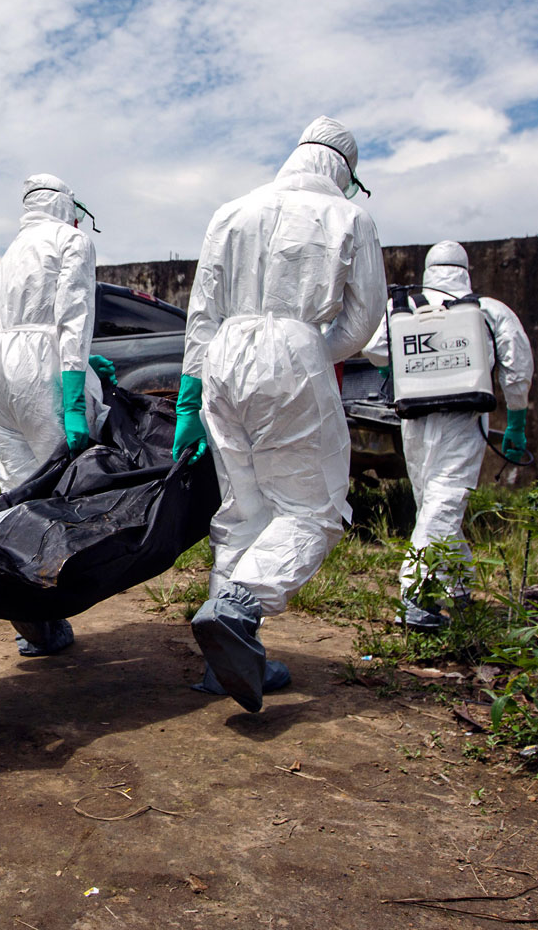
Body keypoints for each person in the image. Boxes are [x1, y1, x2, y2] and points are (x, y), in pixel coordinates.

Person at [174, 117, 385, 712]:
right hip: (292, 351)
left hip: (222, 358)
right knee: (313, 510)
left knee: (243, 510)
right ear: (344, 169)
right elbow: (364, 318)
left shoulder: (231, 211)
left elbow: (201, 311)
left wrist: (191, 396)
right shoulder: (350, 215)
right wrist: (312, 352)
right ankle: (239, 608)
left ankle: (228, 666)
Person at [364, 240, 534, 629]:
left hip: (416, 419)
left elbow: (374, 349)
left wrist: (399, 367)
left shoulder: (402, 306)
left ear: (428, 271)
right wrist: (517, 424)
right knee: (444, 501)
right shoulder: (488, 309)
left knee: (434, 503)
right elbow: (517, 368)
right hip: (464, 416)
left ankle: (457, 587)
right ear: (465, 270)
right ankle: (415, 597)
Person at [0, 173, 113, 657]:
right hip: (42, 372)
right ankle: (55, 599)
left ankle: (31, 616)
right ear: (65, 206)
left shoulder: (13, 249)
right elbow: (72, 319)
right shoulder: (70, 240)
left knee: (17, 494)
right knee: (62, 494)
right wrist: (76, 395)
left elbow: (18, 320)